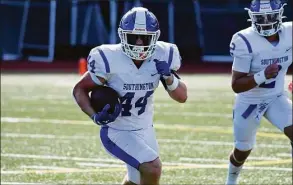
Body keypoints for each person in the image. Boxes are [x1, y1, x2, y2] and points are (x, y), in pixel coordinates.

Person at [72, 7, 187, 185]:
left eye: (145, 38)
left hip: (145, 128)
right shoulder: (108, 58)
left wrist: (169, 77)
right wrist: (94, 116)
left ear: (155, 37)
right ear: (123, 35)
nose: (139, 43)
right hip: (117, 131)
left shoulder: (163, 54)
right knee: (152, 168)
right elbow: (79, 89)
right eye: (134, 37)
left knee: (135, 181)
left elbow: (182, 97)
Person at [226, 0, 292, 184]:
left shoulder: (290, 32)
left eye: (270, 16)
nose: (266, 21)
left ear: (280, 15)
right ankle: (231, 179)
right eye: (260, 17)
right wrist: (263, 75)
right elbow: (236, 85)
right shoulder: (244, 40)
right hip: (249, 101)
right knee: (242, 150)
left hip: (276, 97)